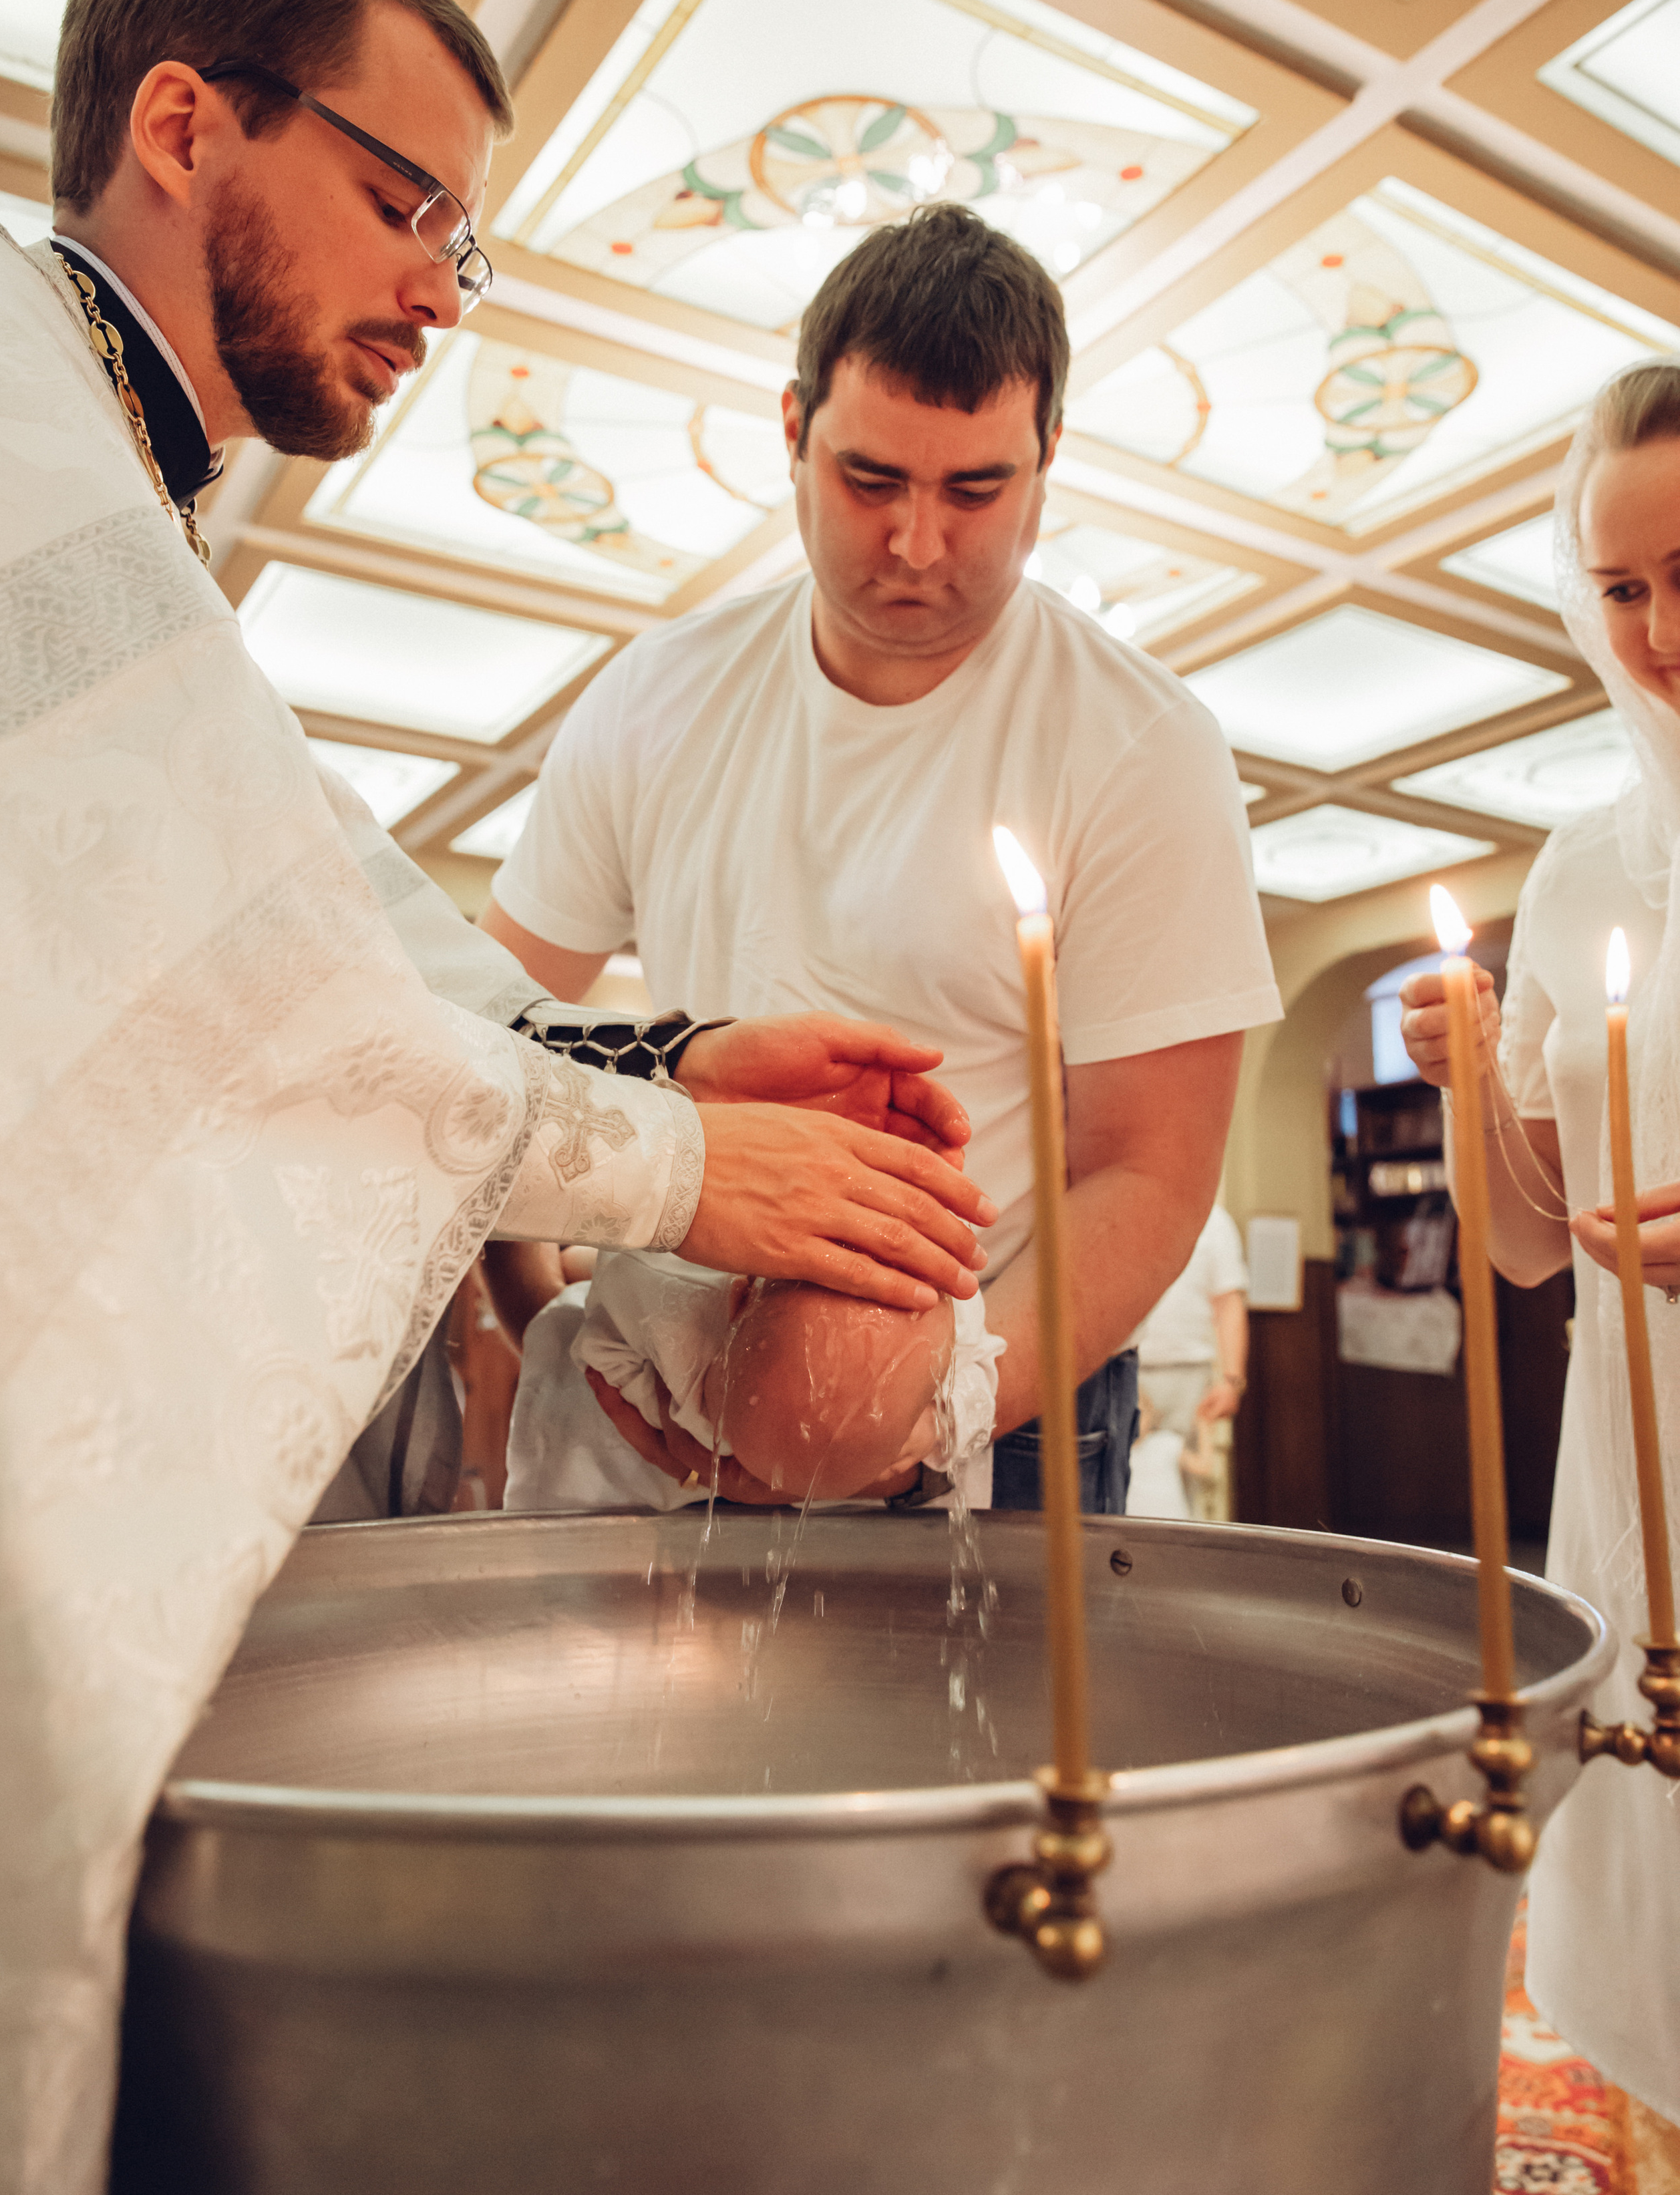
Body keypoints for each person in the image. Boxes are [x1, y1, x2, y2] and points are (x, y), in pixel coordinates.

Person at [0, 0, 996, 2195]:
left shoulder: (111, 505)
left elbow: (318, 931)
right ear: (184, 119)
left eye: (471, 238)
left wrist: (674, 1047)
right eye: (406, 198)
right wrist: (674, 1157)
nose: (444, 282)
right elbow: (203, 998)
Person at [482, 203, 1281, 1517]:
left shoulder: (1141, 746)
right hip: (673, 1362)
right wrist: (542, 1322)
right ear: (791, 432)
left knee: (1012, 1731)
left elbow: (1147, 1169)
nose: (918, 544)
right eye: (869, 482)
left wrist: (926, 1419)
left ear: (1048, 459)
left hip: (1012, 1390)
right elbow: (500, 1032)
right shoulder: (651, 700)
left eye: (977, 490)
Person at [1399, 359, 1680, 2195]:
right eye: (1624, 588)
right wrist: (1469, 1076)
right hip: (1638, 1476)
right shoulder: (1590, 858)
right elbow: (1525, 1248)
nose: (1659, 632)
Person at [503, 1252, 1003, 1512]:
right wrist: (657, 1407)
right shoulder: (666, 1304)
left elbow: (979, 1390)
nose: (705, 1417)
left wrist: (936, 1430)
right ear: (738, 1297)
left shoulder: (957, 1323)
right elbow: (603, 1333)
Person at [1126, 1204, 1248, 1518]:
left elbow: (1229, 1303)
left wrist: (1232, 1380)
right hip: (1125, 1369)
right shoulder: (1122, 1205)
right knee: (1119, 1484)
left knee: (1184, 1486)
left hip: (1189, 1376)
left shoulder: (1216, 1221)